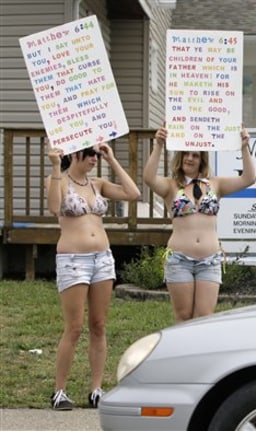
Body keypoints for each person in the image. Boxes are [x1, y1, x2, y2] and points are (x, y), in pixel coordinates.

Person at [46, 143, 141, 411]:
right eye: (90, 155)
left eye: (96, 156)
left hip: (102, 258)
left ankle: (96, 388)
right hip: (73, 260)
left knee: (98, 324)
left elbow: (132, 193)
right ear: (75, 154)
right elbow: (55, 206)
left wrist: (112, 159)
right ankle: (59, 390)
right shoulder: (59, 180)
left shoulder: (97, 183)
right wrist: (55, 165)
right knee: (74, 327)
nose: (93, 160)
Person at [143, 124, 255, 322]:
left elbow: (248, 179)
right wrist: (158, 144)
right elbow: (149, 178)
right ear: (180, 157)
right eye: (186, 154)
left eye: (195, 155)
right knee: (184, 316)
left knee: (204, 318)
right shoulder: (171, 185)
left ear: (202, 159)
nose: (190, 158)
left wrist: (245, 147)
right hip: (179, 261)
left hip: (209, 261)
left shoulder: (215, 184)